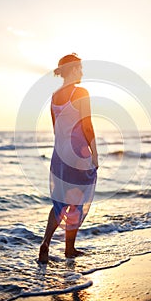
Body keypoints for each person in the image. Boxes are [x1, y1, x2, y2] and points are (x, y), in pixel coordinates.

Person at [39, 53, 98, 263]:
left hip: (59, 154)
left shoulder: (55, 96)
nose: (82, 72)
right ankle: (69, 249)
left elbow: (56, 129)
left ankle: (46, 242)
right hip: (78, 153)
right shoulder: (81, 92)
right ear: (73, 69)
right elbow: (87, 125)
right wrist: (94, 153)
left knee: (59, 202)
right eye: (80, 68)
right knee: (77, 201)